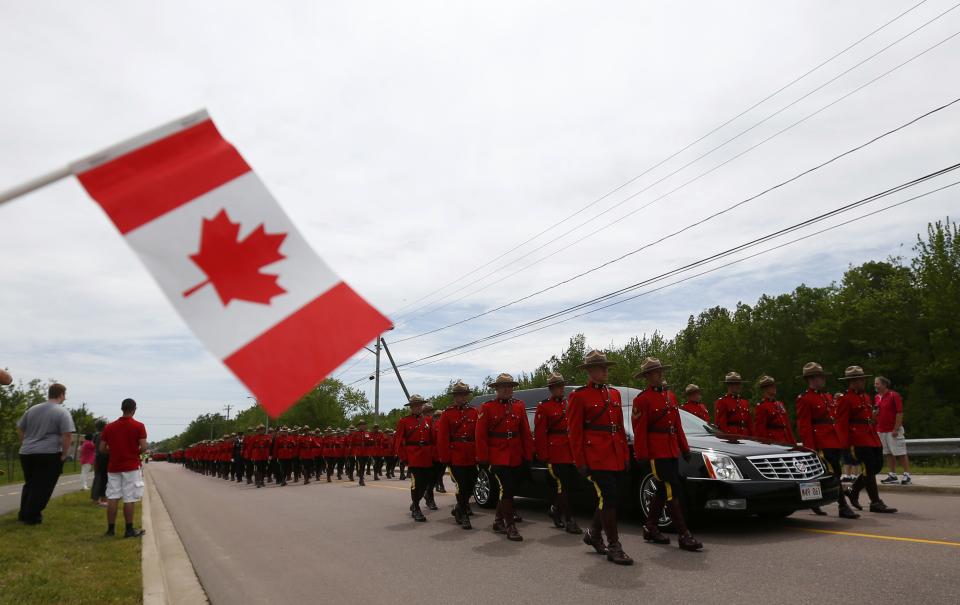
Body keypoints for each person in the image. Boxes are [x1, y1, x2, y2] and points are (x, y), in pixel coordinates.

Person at [568, 350, 632, 565]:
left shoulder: (614, 394)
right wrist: (580, 462)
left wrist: (624, 454)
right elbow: (574, 432)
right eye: (600, 367)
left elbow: (619, 428)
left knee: (610, 498)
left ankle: (594, 533)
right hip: (595, 456)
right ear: (589, 371)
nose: (605, 370)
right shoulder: (579, 396)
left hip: (613, 454)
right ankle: (614, 546)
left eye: (606, 367)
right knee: (609, 497)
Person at [633, 357, 702, 552]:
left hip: (671, 448)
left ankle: (650, 526)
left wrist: (685, 448)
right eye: (656, 372)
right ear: (647, 376)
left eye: (660, 371)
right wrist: (642, 455)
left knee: (663, 490)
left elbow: (677, 425)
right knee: (672, 489)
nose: (660, 374)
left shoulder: (670, 396)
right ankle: (683, 534)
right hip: (657, 452)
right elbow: (640, 430)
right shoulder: (642, 400)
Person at [795, 362, 859, 519]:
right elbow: (804, 426)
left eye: (822, 376)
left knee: (827, 475)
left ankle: (814, 502)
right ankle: (843, 506)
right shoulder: (804, 399)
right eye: (819, 376)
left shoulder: (827, 396)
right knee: (835, 473)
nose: (823, 379)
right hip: (821, 442)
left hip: (833, 440)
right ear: (811, 379)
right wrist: (811, 449)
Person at [476, 373, 534, 542]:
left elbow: (525, 433)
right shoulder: (487, 407)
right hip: (497, 456)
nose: (508, 389)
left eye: (510, 386)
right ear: (497, 389)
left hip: (515, 455)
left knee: (509, 490)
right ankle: (510, 526)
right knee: (506, 489)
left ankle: (498, 521)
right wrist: (482, 458)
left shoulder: (519, 406)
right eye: (504, 386)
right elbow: (481, 436)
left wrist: (528, 454)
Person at [838, 367, 897, 513]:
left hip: (871, 436)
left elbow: (869, 417)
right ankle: (875, 502)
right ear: (852, 381)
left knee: (876, 466)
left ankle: (852, 490)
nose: (863, 381)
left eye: (863, 378)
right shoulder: (845, 399)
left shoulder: (865, 396)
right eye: (859, 379)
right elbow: (841, 423)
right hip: (857, 439)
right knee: (869, 468)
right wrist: (845, 444)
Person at [16, 383, 75, 525]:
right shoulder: (61, 412)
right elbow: (67, 435)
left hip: (27, 452)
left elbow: (20, 428)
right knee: (43, 486)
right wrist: (64, 454)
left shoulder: (32, 409)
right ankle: (32, 516)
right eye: (64, 395)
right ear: (61, 395)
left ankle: (24, 513)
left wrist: (26, 443)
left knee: (30, 484)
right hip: (48, 453)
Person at [533, 372, 582, 534]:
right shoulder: (544, 406)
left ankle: (555, 509)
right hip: (556, 453)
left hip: (570, 452)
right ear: (552, 389)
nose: (562, 389)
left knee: (571, 485)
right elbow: (540, 434)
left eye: (562, 386)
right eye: (558, 386)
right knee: (564, 486)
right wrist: (544, 456)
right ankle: (569, 520)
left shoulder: (568, 404)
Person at [99, 398, 148, 537]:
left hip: (114, 466)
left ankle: (110, 529)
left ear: (122, 408)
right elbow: (144, 447)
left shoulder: (109, 427)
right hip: (131, 466)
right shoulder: (139, 426)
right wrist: (133, 451)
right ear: (134, 409)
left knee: (113, 496)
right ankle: (129, 529)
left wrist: (115, 451)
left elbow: (102, 448)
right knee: (129, 497)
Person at [436, 380, 479, 529]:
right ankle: (464, 515)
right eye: (458, 395)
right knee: (461, 485)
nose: (461, 398)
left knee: (471, 483)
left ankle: (458, 508)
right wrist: (445, 458)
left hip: (471, 454)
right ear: (454, 397)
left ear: (467, 396)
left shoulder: (474, 412)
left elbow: (478, 434)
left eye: (464, 395)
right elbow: (442, 438)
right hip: (455, 455)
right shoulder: (447, 414)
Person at [395, 394, 436, 522]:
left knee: (426, 482)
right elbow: (398, 441)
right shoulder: (404, 421)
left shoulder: (428, 420)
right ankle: (417, 508)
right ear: (411, 407)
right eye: (415, 405)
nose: (418, 407)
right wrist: (403, 457)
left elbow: (433, 439)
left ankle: (415, 502)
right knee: (416, 483)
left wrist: (434, 454)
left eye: (419, 405)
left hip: (426, 456)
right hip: (413, 456)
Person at [875, 376, 911, 485]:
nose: (875, 385)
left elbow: (899, 412)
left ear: (884, 385)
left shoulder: (893, 395)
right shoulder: (877, 397)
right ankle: (892, 475)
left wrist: (896, 428)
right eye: (875, 384)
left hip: (893, 429)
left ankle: (906, 475)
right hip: (881, 429)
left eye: (877, 383)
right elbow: (877, 413)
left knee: (900, 452)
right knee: (887, 453)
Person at [752, 376, 796, 444]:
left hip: (786, 440)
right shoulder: (761, 406)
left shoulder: (780, 404)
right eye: (771, 386)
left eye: (774, 385)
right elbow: (760, 430)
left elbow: (787, 426)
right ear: (765, 389)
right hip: (774, 442)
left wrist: (793, 443)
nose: (774, 387)